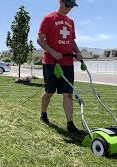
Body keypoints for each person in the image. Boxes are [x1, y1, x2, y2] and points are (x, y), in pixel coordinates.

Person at [37, 0, 85, 134]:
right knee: (49, 92)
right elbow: (40, 39)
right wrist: (52, 52)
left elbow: (71, 40)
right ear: (60, 2)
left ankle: (70, 124)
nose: (69, 8)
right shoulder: (48, 18)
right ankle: (43, 113)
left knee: (68, 94)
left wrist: (78, 52)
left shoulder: (70, 22)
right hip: (51, 62)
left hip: (67, 63)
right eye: (67, 5)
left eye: (72, 6)